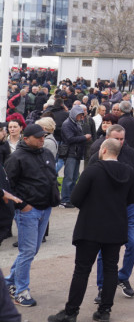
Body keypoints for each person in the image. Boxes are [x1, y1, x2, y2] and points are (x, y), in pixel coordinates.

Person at [47, 138, 134, 322]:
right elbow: (132, 198)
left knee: (82, 270)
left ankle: (71, 312)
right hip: (116, 226)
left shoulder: (93, 170)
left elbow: (75, 198)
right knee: (111, 268)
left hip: (91, 226)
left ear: (103, 150)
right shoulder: (129, 171)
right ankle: (104, 311)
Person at [85, 124, 134, 303]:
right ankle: (102, 286)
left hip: (130, 207)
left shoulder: (131, 153)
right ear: (107, 138)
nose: (120, 142)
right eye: (116, 139)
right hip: (107, 209)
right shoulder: (97, 154)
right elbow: (88, 180)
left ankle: (122, 276)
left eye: (122, 139)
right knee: (105, 249)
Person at [4, 123, 60, 307]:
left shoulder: (46, 153)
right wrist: (22, 206)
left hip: (45, 208)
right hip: (28, 211)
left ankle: (9, 282)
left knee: (32, 250)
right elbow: (7, 187)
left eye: (43, 136)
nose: (42, 139)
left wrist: (54, 197)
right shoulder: (16, 157)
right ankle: (21, 291)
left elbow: (51, 177)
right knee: (27, 251)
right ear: (26, 139)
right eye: (38, 137)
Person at [60, 104, 92, 208]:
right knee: (69, 177)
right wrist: (84, 137)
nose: (81, 117)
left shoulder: (76, 123)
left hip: (76, 153)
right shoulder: (67, 124)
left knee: (74, 177)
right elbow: (70, 139)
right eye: (79, 115)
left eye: (82, 115)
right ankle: (65, 199)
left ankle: (70, 198)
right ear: (74, 114)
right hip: (71, 153)